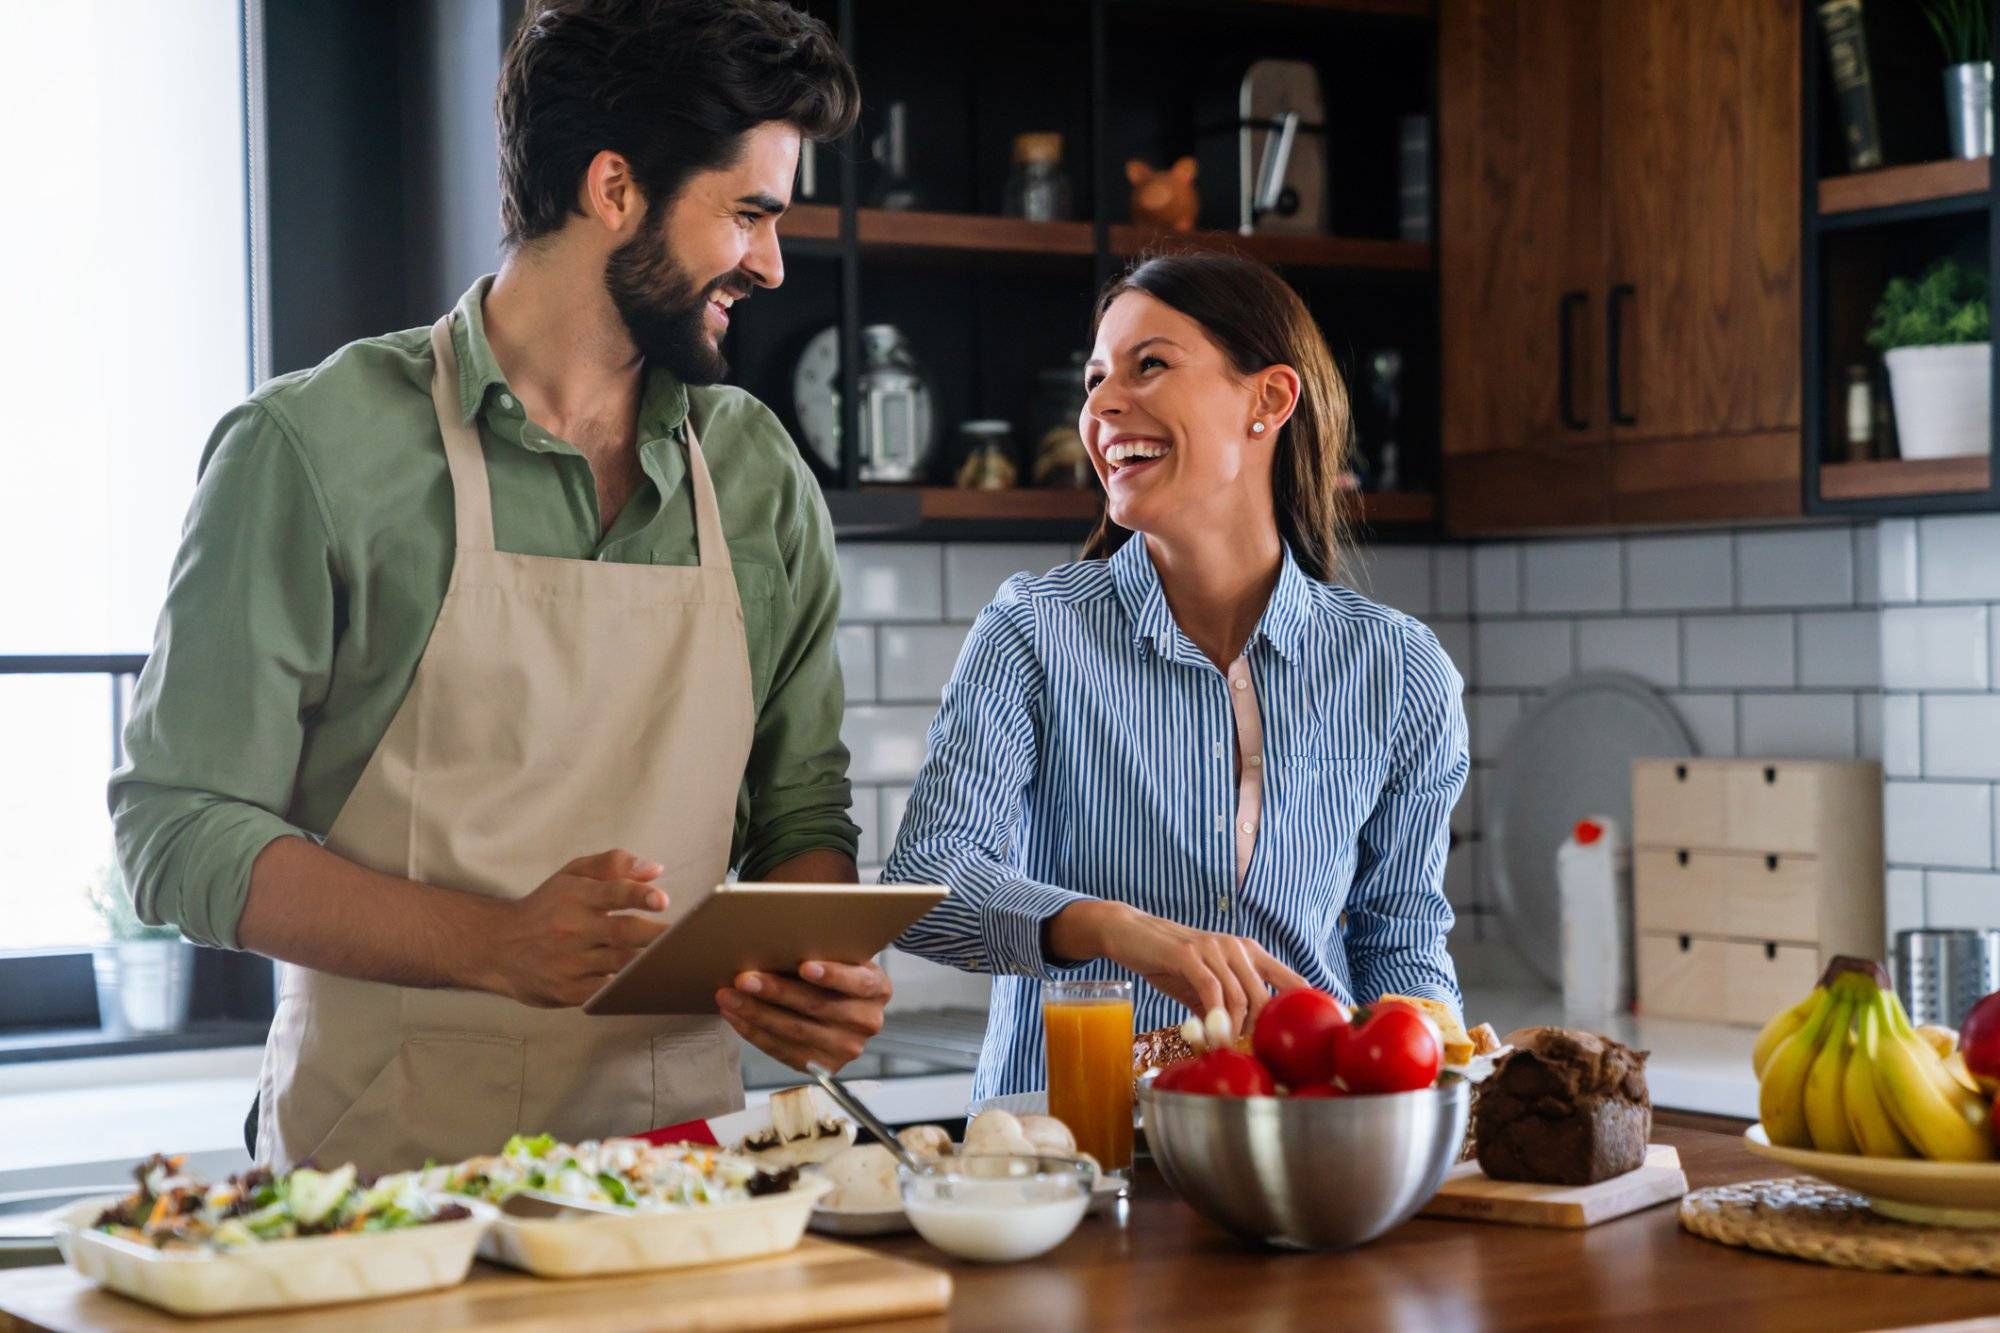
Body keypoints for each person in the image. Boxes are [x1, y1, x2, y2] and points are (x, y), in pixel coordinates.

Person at [109, 0, 888, 1174]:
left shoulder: (754, 472)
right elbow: (176, 828)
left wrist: (810, 967)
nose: (771, 263)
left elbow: (799, 816)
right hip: (383, 1187)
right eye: (747, 213)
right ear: (614, 188)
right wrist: (491, 944)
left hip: (679, 1182)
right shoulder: (314, 450)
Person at [884, 252, 1467, 1100]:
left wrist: (1436, 1087)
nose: (1102, 405)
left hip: (1299, 1140)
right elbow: (925, 884)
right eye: (1094, 379)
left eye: (1149, 364)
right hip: (1074, 1145)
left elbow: (1402, 943)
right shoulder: (1035, 632)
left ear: (1268, 399)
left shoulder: (1399, 669)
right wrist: (1120, 930)